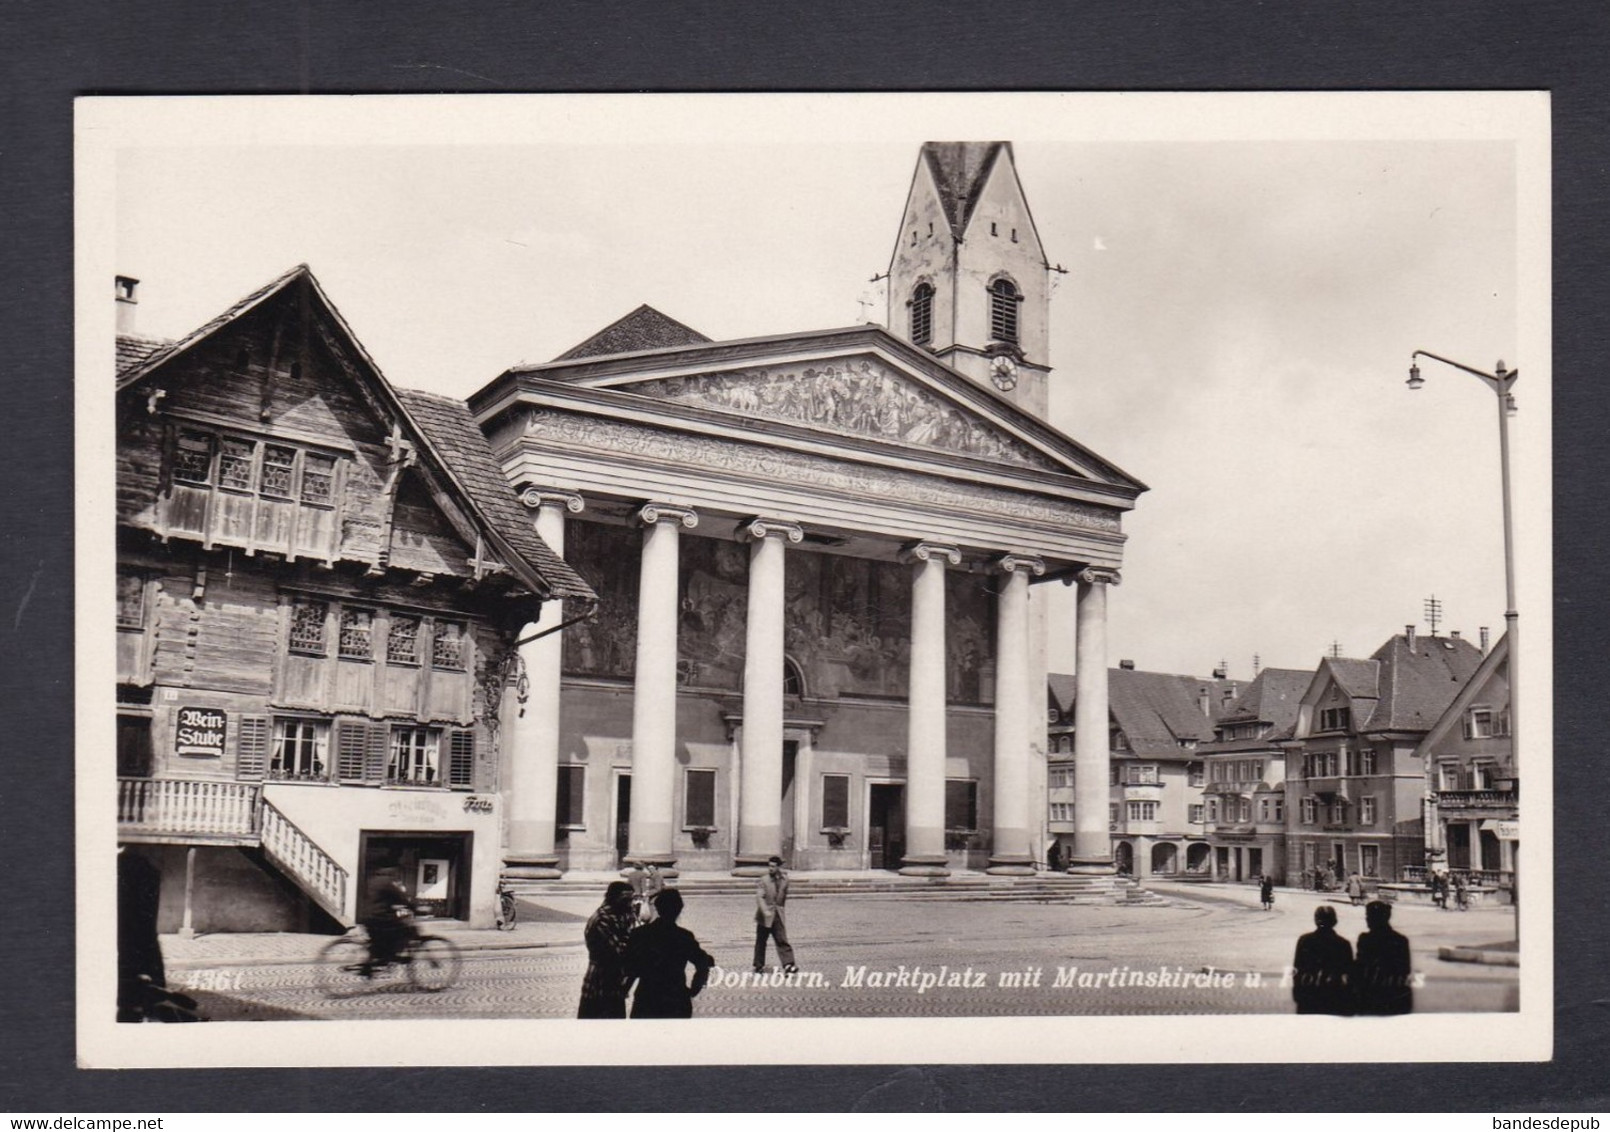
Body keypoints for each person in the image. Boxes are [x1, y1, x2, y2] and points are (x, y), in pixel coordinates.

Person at [624, 889, 714, 1019]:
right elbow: (703, 962)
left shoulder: (640, 934)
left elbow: (630, 968)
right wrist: (694, 989)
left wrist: (625, 990)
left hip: (647, 997)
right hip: (676, 997)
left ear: (657, 908)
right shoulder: (684, 936)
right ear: (679, 909)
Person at [577, 881, 637, 1019]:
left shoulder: (623, 913)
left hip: (615, 980)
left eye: (631, 900)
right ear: (613, 898)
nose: (630, 904)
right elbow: (620, 949)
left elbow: (629, 938)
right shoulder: (603, 918)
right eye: (626, 900)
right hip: (599, 979)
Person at [1290, 905, 1353, 1015]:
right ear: (1335, 921)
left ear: (1315, 920)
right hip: (1334, 996)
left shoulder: (1305, 941)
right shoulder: (1343, 944)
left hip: (1309, 995)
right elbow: (1349, 975)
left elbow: (1297, 969)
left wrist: (1298, 992)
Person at [1354, 900, 1415, 1015]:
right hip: (1395, 996)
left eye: (1368, 916)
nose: (1366, 919)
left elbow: (1359, 967)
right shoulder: (1401, 940)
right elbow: (1405, 970)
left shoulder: (1365, 939)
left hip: (1370, 996)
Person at [360, 867, 416, 974]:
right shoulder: (387, 883)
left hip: (367, 916)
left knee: (378, 940)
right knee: (404, 929)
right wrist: (414, 908)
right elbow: (400, 897)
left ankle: (379, 958)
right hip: (380, 916)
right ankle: (390, 956)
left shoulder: (372, 880)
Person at [754, 854, 798, 973]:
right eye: (769, 866)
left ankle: (788, 964)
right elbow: (760, 897)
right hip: (765, 916)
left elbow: (783, 896)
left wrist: (781, 909)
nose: (770, 869)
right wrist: (765, 911)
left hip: (778, 914)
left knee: (782, 939)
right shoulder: (764, 880)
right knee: (761, 941)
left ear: (778, 867)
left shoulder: (785, 880)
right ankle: (758, 964)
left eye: (773, 866)